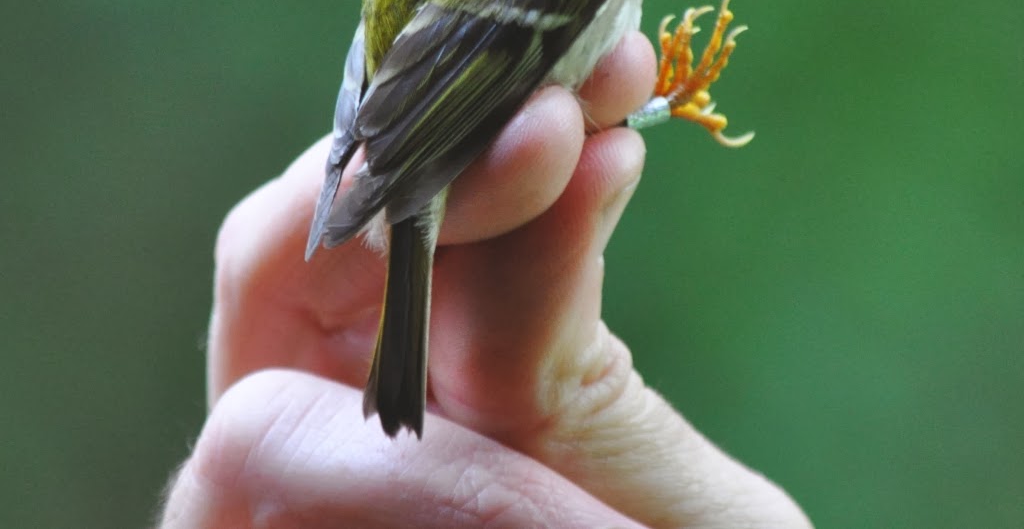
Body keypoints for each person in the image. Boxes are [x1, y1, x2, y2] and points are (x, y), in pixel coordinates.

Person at [157, 32, 812, 527]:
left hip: (408, 124)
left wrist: (366, 160)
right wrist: (659, 107)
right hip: (459, 130)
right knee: (560, 135)